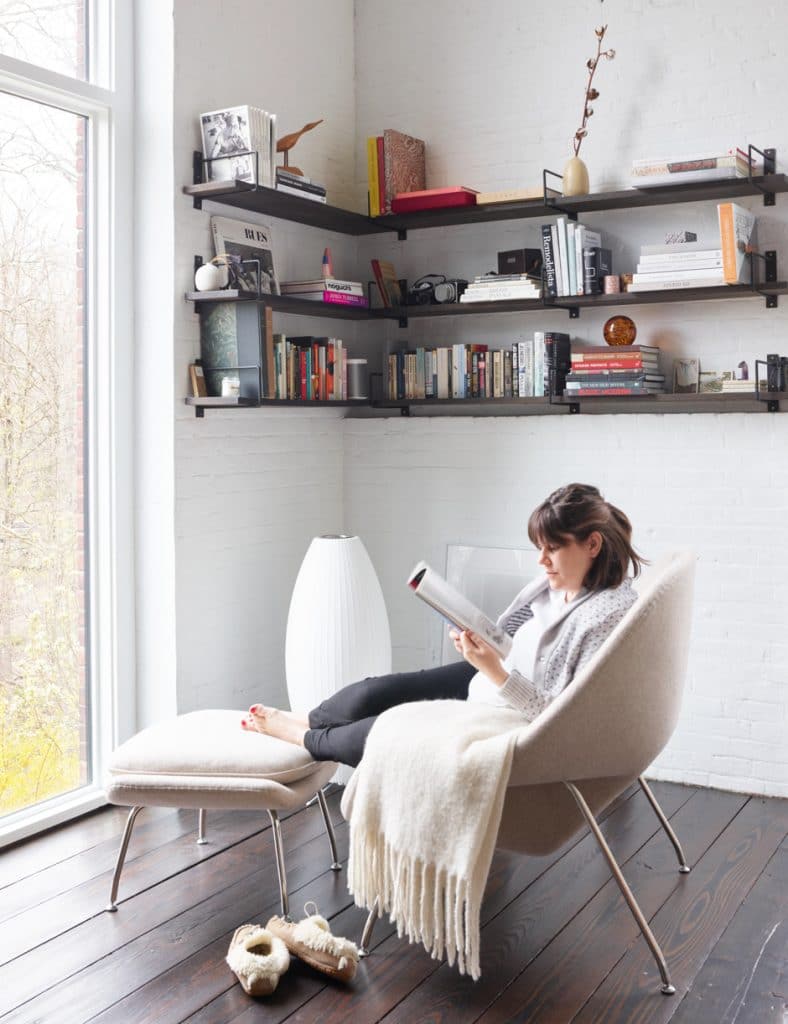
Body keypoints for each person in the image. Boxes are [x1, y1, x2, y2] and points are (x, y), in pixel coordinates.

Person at [241, 483, 644, 766]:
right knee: (373, 692)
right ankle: (310, 719)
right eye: (539, 548)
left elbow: (562, 718)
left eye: (552, 549)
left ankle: (303, 738)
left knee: (384, 730)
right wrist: (481, 638)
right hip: (499, 673)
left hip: (511, 706)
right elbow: (514, 628)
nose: (542, 561)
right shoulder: (562, 580)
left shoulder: (605, 617)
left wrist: (494, 671)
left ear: (592, 545)